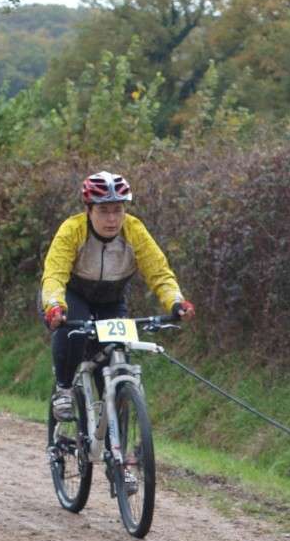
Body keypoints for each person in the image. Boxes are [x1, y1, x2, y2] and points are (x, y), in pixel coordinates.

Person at [41, 170, 195, 421]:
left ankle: (114, 433)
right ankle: (64, 389)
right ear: (88, 210)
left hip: (111, 300)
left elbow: (159, 273)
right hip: (72, 296)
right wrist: (55, 306)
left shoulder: (134, 230)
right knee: (72, 334)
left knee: (115, 358)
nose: (112, 219)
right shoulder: (72, 230)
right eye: (103, 211)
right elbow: (54, 275)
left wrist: (176, 301)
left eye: (118, 210)